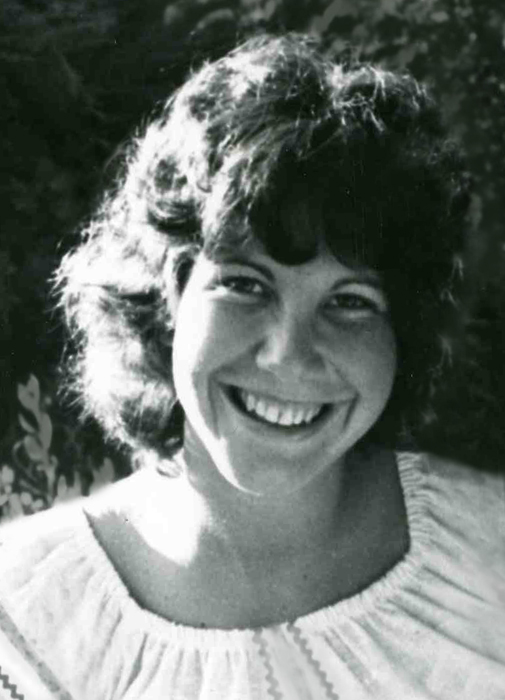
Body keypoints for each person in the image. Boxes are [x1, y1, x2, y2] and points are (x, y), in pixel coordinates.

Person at [0, 33, 503, 700]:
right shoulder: (27, 625)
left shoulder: (490, 553)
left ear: (400, 334)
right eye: (244, 285)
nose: (288, 352)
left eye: (350, 301)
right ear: (167, 297)